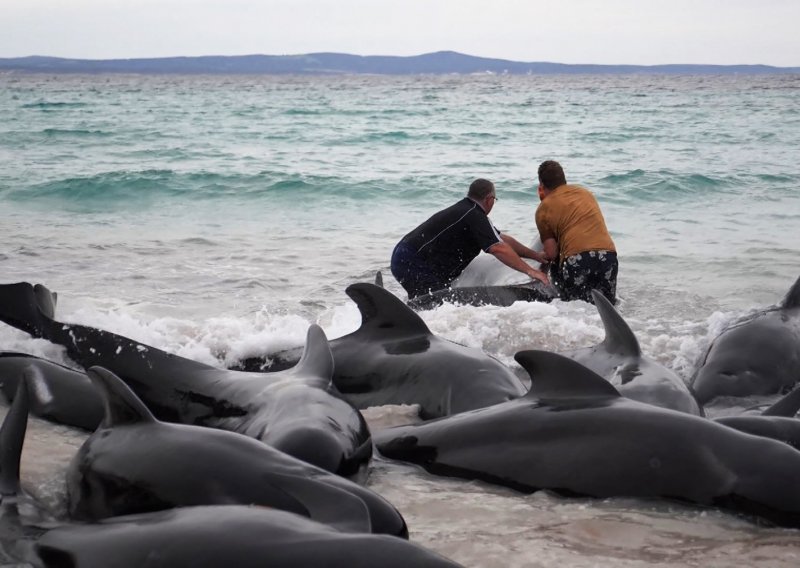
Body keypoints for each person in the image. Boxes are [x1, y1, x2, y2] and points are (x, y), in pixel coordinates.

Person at [391, 178, 549, 299]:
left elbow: (502, 240)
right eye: (495, 200)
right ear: (489, 199)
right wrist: (531, 271)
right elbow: (498, 248)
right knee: (436, 303)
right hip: (412, 260)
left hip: (405, 257)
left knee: (429, 301)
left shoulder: (469, 212)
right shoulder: (473, 215)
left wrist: (535, 256)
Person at [535, 160, 618, 304]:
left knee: (576, 308)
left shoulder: (544, 208)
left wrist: (539, 256)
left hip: (578, 259)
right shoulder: (586, 193)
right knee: (607, 309)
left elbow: (552, 253)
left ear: (541, 185)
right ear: (564, 179)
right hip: (608, 255)